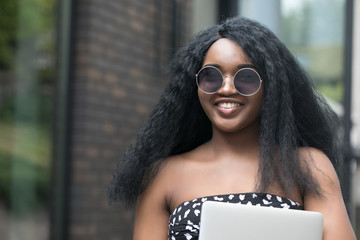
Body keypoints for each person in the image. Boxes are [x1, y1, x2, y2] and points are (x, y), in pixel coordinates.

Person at [108, 17, 356, 240]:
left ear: (269, 87)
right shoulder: (162, 175)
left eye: (245, 77)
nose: (226, 88)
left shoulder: (308, 167)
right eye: (211, 77)